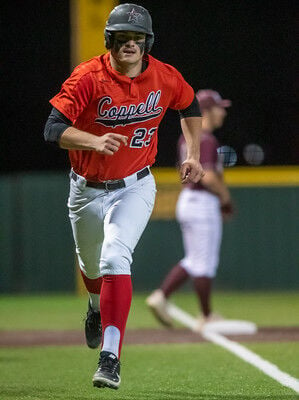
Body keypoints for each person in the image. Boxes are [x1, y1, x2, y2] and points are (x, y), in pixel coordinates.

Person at [43, 3, 204, 390]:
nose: (130, 44)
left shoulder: (163, 76)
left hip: (135, 184)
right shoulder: (88, 77)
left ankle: (110, 357)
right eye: (121, 37)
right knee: (92, 267)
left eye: (137, 38)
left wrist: (194, 153)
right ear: (109, 39)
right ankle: (96, 307)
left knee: (115, 256)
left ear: (148, 42)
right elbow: (52, 128)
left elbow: (189, 103)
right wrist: (93, 140)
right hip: (85, 188)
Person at [146, 89, 234, 332]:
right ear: (205, 111)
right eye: (219, 108)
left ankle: (163, 296)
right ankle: (205, 315)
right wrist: (226, 199)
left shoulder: (187, 138)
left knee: (195, 259)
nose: (222, 113)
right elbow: (208, 177)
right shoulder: (205, 139)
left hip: (189, 200)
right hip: (202, 202)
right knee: (204, 262)